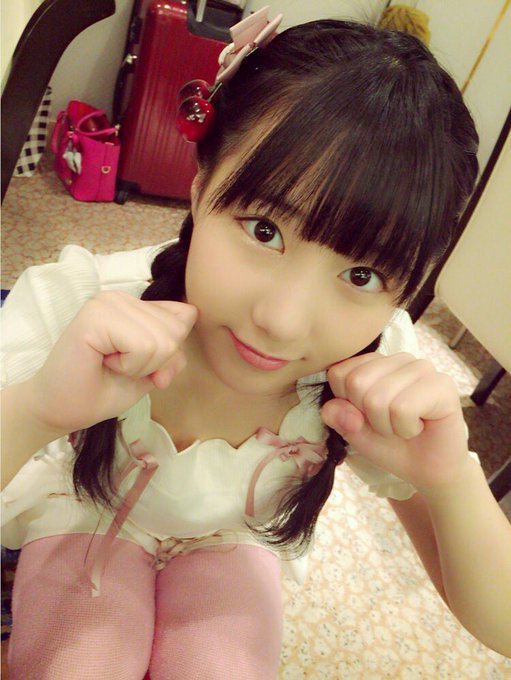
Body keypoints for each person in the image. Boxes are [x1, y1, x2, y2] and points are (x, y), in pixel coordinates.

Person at [1, 15, 511, 680]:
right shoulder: (84, 304)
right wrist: (37, 410)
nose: (282, 322)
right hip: (85, 510)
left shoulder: (374, 374)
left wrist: (450, 481)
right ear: (200, 186)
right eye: (264, 230)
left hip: (231, 542)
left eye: (361, 275)